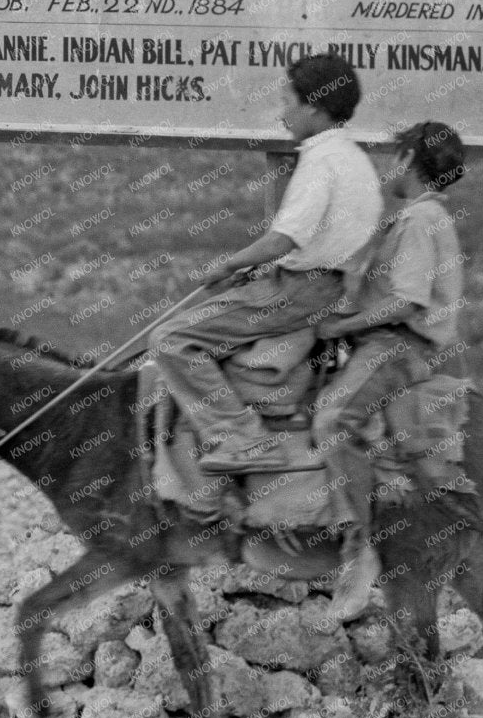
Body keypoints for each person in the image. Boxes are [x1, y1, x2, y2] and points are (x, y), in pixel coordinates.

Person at [149, 53, 383, 475]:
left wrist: (225, 267)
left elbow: (284, 239)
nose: (283, 114)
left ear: (312, 105)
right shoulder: (354, 158)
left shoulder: (319, 161)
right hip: (326, 283)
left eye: (287, 101)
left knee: (170, 338)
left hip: (300, 289)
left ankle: (243, 440)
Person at [311, 119, 468, 621]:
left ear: (407, 161)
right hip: (383, 339)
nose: (389, 166)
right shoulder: (415, 218)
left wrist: (342, 327)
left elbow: (405, 302)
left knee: (331, 421)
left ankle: (360, 550)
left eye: (395, 156)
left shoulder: (421, 220)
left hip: (396, 346)